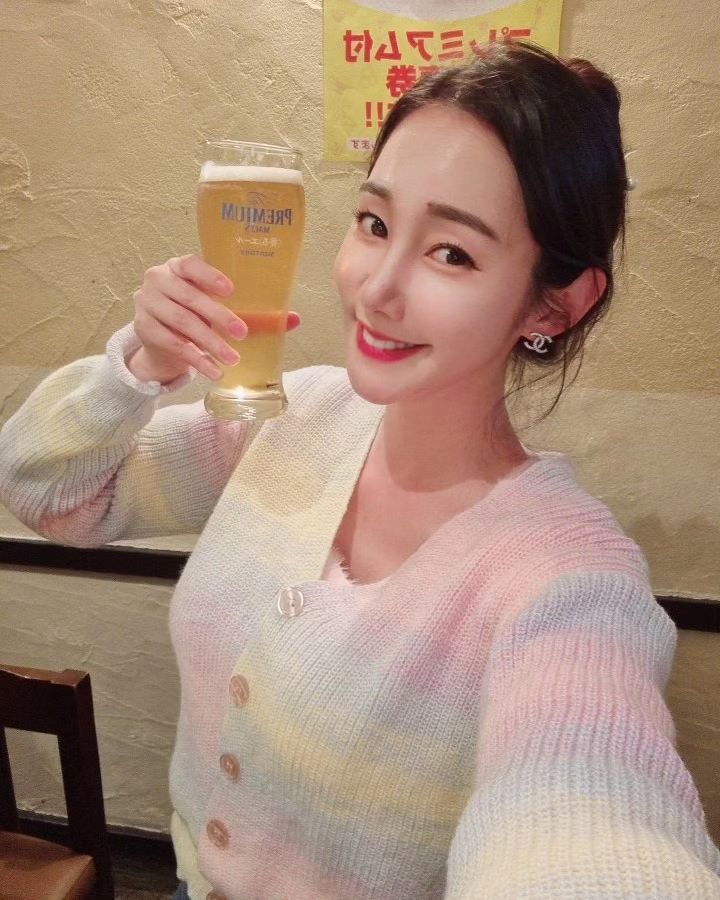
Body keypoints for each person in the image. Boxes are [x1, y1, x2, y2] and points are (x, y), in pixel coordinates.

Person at [1, 42, 719, 900]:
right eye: (375, 224)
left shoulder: (569, 581)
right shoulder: (295, 417)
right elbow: (52, 493)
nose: (375, 288)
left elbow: (589, 801)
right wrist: (140, 367)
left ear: (553, 305)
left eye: (452, 253)